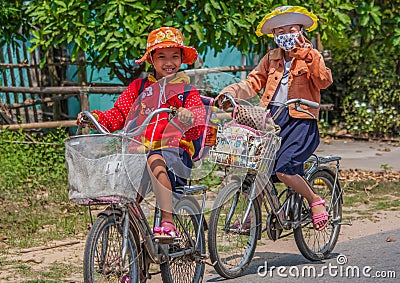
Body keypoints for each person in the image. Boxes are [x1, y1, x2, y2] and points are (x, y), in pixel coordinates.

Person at [77, 27, 206, 240]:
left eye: (175, 56)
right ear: (151, 60)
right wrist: (96, 119)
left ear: (182, 60)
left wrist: (188, 117)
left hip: (174, 156)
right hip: (137, 155)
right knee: (126, 199)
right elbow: (118, 114)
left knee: (155, 159)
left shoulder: (186, 92)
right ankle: (134, 255)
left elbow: (198, 122)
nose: (169, 62)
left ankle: (167, 222)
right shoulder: (139, 88)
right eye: (162, 57)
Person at [217, 6, 333, 231]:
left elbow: (323, 80)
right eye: (280, 32)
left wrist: (307, 55)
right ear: (274, 36)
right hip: (272, 121)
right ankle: (253, 217)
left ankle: (314, 200)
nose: (286, 36)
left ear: (301, 31)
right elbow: (252, 83)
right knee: (259, 168)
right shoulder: (271, 58)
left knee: (285, 169)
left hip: (301, 121)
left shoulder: (311, 56)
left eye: (291, 30)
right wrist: (231, 92)